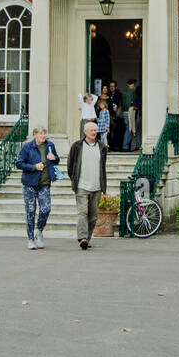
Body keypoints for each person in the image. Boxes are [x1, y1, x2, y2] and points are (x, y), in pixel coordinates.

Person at [15, 126, 58, 249]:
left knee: (46, 209)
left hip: (44, 183)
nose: (43, 136)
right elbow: (19, 163)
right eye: (41, 134)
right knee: (30, 211)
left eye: (44, 134)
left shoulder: (50, 145)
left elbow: (56, 159)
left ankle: (39, 231)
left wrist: (54, 158)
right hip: (30, 184)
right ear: (34, 134)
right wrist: (34, 167)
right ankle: (30, 239)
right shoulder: (27, 147)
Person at [68, 119, 108, 249]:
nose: (94, 132)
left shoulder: (102, 147)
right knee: (82, 212)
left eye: (95, 130)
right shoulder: (77, 146)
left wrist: (103, 185)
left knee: (93, 215)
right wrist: (74, 178)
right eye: (91, 130)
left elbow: (103, 166)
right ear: (85, 132)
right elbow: (71, 164)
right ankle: (82, 237)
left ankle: (88, 237)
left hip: (96, 186)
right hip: (81, 185)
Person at [109, 80, 126, 149]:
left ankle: (116, 146)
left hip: (117, 115)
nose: (112, 88)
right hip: (109, 115)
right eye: (110, 86)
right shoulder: (108, 94)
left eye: (113, 86)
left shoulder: (119, 94)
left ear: (115, 87)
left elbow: (121, 103)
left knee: (116, 131)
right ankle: (111, 146)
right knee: (109, 132)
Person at [121, 79, 137, 151]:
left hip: (125, 112)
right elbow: (128, 103)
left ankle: (127, 146)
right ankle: (126, 146)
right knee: (129, 129)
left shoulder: (124, 92)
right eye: (133, 84)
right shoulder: (132, 92)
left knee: (128, 129)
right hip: (129, 112)